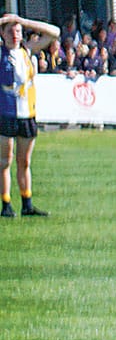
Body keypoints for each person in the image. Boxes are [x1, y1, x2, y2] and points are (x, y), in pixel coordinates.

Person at [0, 13, 57, 218]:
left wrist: (24, 21)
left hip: (27, 114)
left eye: (18, 31)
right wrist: (2, 21)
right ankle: (6, 204)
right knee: (4, 161)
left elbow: (54, 33)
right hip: (5, 114)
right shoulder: (1, 53)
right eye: (10, 31)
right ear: (3, 34)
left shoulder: (27, 50)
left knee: (24, 162)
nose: (15, 35)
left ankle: (27, 203)